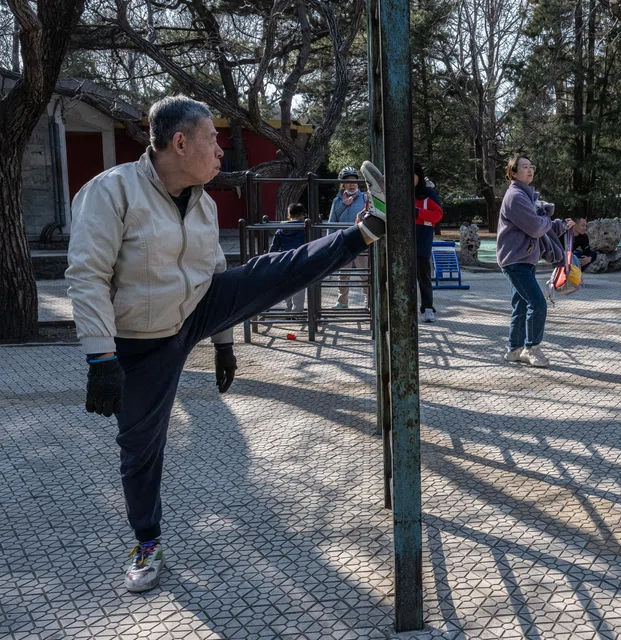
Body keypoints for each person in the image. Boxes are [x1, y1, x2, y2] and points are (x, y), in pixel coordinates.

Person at [65, 95, 389, 594]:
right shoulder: (111, 192)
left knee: (268, 272)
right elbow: (86, 276)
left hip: (195, 312)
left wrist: (223, 344)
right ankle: (147, 542)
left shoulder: (204, 202)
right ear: (180, 143)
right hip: (138, 342)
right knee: (139, 447)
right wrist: (101, 357)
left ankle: (366, 229)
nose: (221, 152)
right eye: (212, 141)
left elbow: (213, 272)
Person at [496, 153, 575, 367]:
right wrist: (548, 220)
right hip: (515, 260)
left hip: (523, 259)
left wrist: (559, 225)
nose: (529, 170)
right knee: (537, 303)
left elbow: (541, 226)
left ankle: (514, 350)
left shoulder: (526, 196)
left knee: (521, 304)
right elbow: (536, 227)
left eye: (531, 166)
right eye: (524, 167)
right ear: (513, 173)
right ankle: (531, 348)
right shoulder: (516, 196)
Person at [328, 166, 371, 309]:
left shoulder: (365, 198)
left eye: (354, 180)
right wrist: (330, 243)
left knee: (364, 272)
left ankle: (369, 300)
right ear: (343, 184)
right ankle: (342, 301)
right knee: (343, 273)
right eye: (348, 181)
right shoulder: (337, 201)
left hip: (361, 239)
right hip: (343, 240)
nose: (352, 184)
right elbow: (332, 222)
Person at [414, 162, 443, 322]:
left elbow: (437, 215)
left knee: (424, 276)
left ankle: (427, 308)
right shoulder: (397, 192)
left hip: (422, 239)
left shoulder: (428, 194)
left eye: (413, 175)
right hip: (402, 239)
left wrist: (417, 213)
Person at [270, 203, 308, 313]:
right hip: (299, 259)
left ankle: (288, 308)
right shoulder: (304, 228)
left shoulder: (281, 229)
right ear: (302, 216)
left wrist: (271, 260)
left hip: (284, 260)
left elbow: (274, 246)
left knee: (287, 285)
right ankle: (297, 311)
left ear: (289, 216)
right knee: (299, 287)